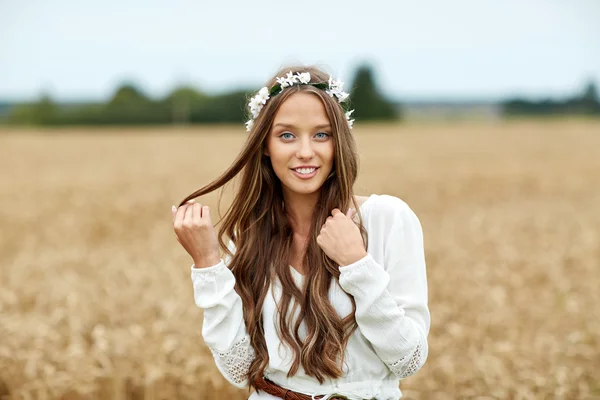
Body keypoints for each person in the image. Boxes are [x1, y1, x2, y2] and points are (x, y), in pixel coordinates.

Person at [171, 66, 430, 400]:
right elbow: (238, 369)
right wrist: (207, 263)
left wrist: (357, 264)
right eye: (287, 135)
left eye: (321, 134)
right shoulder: (250, 234)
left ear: (339, 143)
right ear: (264, 145)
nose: (305, 151)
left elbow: (408, 360)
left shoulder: (388, 219)